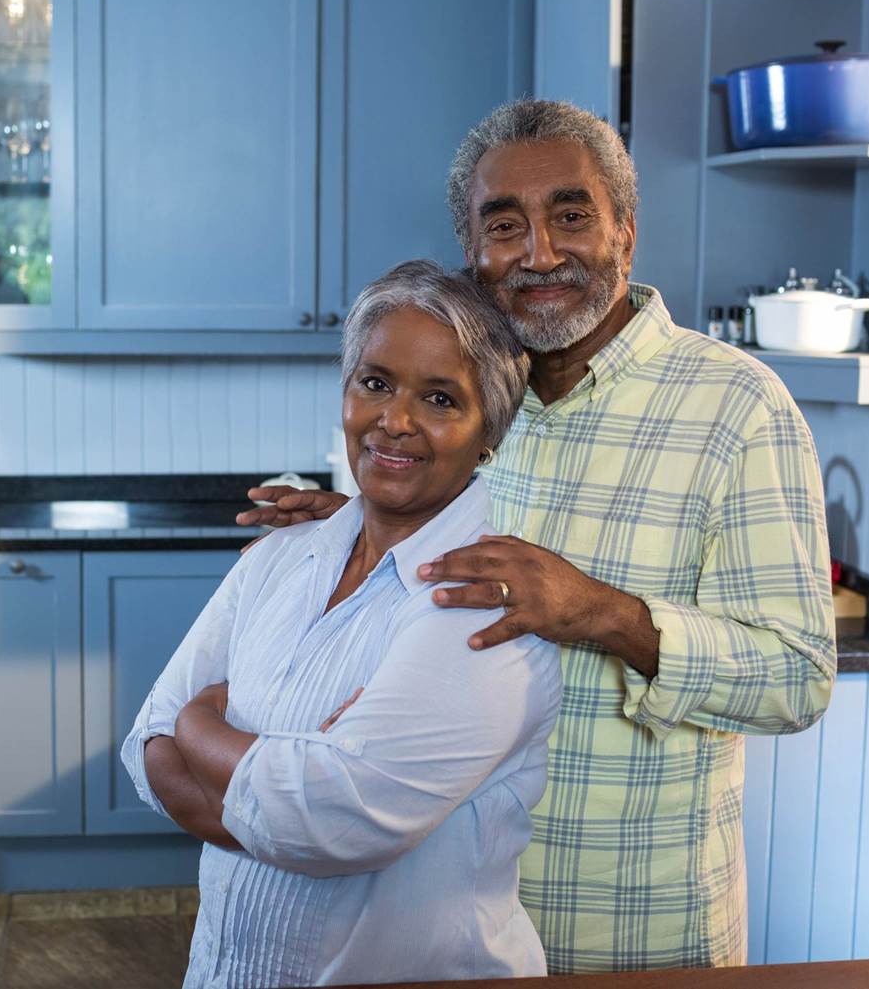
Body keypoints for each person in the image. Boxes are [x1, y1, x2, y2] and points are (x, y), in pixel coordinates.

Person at [240, 100, 836, 972]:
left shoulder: (739, 409)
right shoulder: (461, 399)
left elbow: (798, 676)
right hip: (440, 927)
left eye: (570, 214)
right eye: (504, 224)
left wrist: (597, 611)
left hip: (628, 933)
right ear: (472, 253)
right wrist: (369, 536)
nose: (539, 252)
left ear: (625, 233)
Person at [122, 261, 563, 987]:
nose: (395, 420)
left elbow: (331, 820)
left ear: (491, 430)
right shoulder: (285, 550)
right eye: (376, 382)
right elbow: (145, 748)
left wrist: (202, 725)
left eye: (441, 398)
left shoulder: (484, 600)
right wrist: (287, 784)